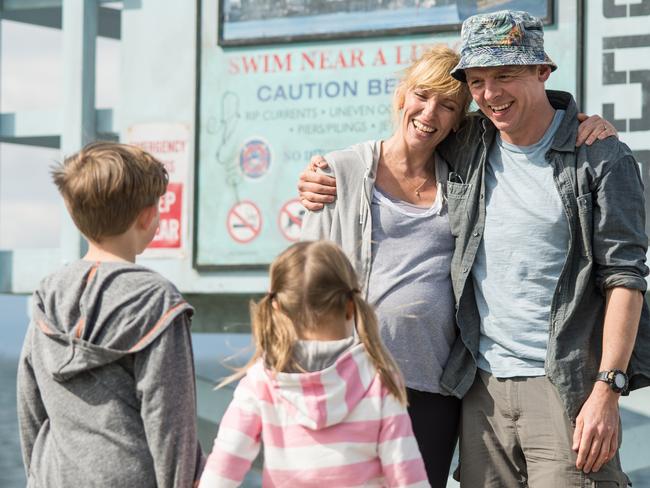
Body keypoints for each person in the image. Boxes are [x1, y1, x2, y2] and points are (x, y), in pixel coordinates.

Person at [300, 10, 650, 487]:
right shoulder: (471, 143)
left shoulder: (598, 157)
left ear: (542, 72)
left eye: (505, 75)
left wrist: (609, 388)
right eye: (479, 81)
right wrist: (318, 177)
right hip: (477, 388)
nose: (491, 93)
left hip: (564, 386)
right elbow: (407, 143)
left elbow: (624, 278)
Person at [300, 45, 472, 487]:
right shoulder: (339, 171)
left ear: (459, 118)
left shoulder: (464, 180)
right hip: (351, 380)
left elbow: (522, 112)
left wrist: (585, 122)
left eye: (447, 104)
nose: (430, 112)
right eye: (422, 95)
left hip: (432, 388)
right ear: (401, 96)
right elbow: (307, 286)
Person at [16, 142, 204, 487]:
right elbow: (171, 423)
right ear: (148, 216)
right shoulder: (156, 300)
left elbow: (30, 405)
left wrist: (36, 476)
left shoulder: (48, 294)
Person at [198, 241, 429, 488]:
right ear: (350, 306)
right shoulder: (379, 379)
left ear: (277, 308)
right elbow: (406, 474)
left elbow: (224, 467)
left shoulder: (262, 381)